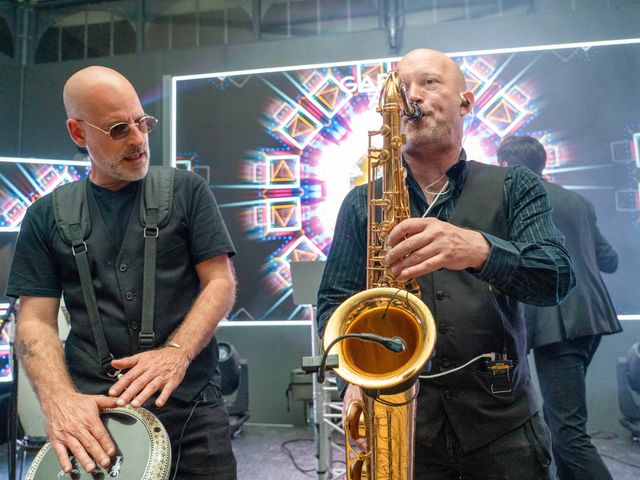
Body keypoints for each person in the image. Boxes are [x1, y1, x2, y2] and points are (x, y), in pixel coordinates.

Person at [317, 48, 575, 479]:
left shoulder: (516, 185)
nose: (411, 96)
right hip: (402, 424)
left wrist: (480, 249)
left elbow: (556, 277)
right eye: (402, 88)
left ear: (465, 102)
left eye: (429, 83)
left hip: (503, 427)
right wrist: (356, 379)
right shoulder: (361, 203)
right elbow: (335, 303)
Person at [6, 66, 237, 479]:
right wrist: (58, 400)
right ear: (79, 134)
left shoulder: (187, 192)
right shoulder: (44, 217)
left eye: (141, 122)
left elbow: (220, 283)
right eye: (118, 129)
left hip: (194, 416)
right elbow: (35, 321)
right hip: (96, 424)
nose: (138, 139)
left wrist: (176, 353)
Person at [498, 135, 621, 480]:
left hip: (558, 323)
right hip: (593, 318)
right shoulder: (577, 201)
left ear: (505, 166)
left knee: (568, 434)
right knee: (558, 423)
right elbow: (609, 260)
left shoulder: (515, 200)